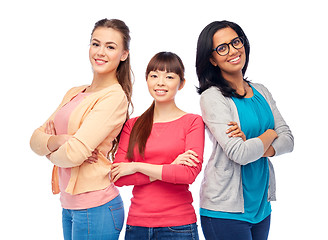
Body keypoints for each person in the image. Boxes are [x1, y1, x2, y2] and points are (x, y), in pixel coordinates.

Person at [30, 18, 133, 240]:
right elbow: (34, 139)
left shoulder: (114, 97)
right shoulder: (74, 92)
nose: (101, 52)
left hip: (96, 207)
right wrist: (61, 140)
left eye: (110, 46)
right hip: (69, 205)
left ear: (124, 54)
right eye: (96, 44)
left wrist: (51, 148)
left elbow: (75, 153)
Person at [195, 20, 294, 240]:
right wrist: (269, 135)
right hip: (225, 210)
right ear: (212, 59)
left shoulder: (261, 91)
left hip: (261, 205)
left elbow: (288, 139)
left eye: (236, 42)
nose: (233, 51)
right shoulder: (213, 97)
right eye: (222, 48)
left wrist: (254, 143)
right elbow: (239, 154)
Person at [111, 51, 205, 240]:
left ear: (181, 83)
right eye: (154, 76)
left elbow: (187, 174)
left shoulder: (193, 122)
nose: (160, 82)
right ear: (146, 80)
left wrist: (136, 166)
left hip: (179, 226)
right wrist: (170, 168)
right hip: (136, 225)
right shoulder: (132, 124)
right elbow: (118, 177)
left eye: (169, 76)